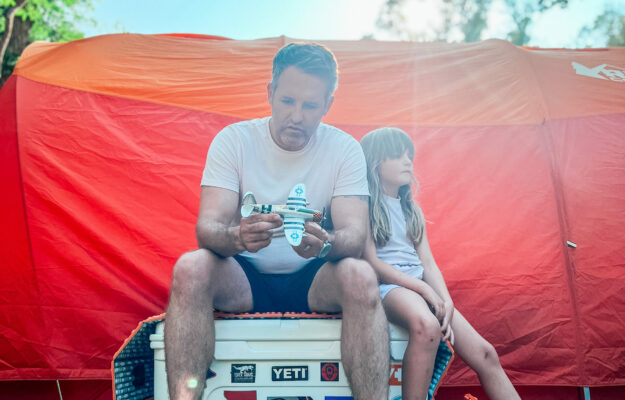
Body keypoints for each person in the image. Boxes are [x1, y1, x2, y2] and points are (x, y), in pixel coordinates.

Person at [164, 43, 389, 400]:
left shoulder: (344, 149)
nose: (297, 116)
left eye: (310, 105)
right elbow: (207, 229)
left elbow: (355, 236)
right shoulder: (234, 141)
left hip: (315, 280)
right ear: (270, 93)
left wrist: (325, 244)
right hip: (244, 279)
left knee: (361, 275)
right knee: (190, 268)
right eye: (287, 101)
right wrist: (238, 237)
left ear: (328, 105)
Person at [360, 127, 521, 400]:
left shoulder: (412, 210)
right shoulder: (362, 205)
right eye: (397, 156)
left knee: (486, 354)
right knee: (428, 327)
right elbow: (372, 263)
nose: (408, 161)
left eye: (409, 155)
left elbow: (428, 264)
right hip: (389, 286)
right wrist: (423, 291)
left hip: (421, 286)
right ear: (375, 162)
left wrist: (446, 301)